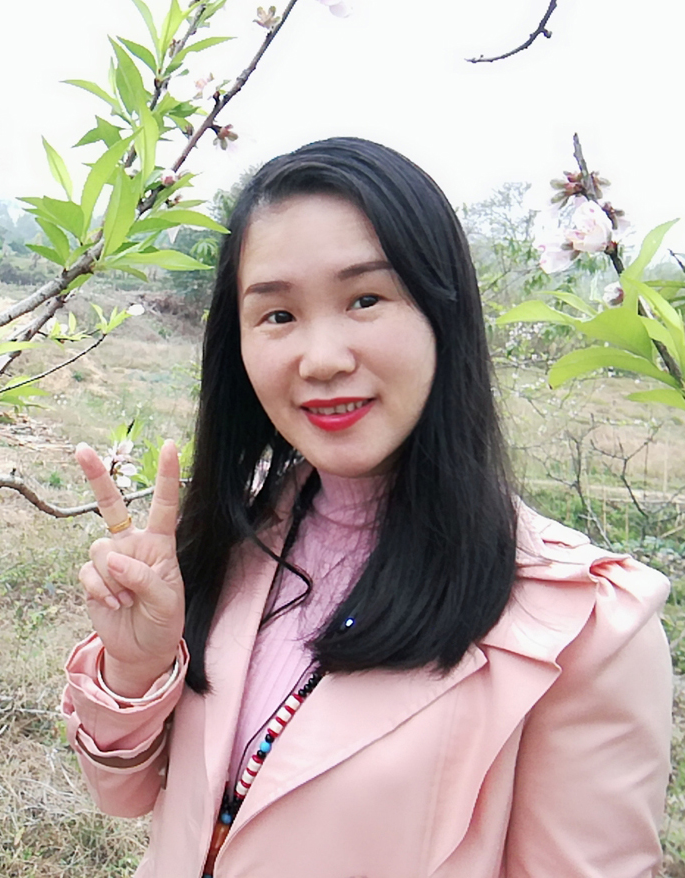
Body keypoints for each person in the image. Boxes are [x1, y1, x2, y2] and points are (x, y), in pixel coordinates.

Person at [62, 137, 673, 878]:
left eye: (365, 300)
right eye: (277, 314)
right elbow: (125, 796)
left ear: (443, 312)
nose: (322, 359)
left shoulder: (585, 629)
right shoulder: (235, 538)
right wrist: (135, 667)